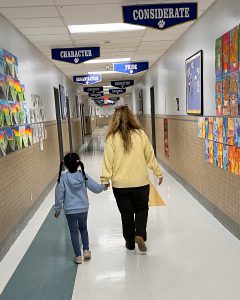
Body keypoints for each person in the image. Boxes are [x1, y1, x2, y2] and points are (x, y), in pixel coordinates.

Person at [101, 105, 163, 254]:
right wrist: (158, 172)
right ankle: (140, 235)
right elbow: (150, 156)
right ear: (131, 117)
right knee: (142, 209)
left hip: (120, 185)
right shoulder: (140, 134)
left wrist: (105, 179)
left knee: (126, 214)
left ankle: (129, 242)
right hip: (140, 183)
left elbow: (107, 160)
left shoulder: (112, 138)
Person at [55, 152, 107, 264]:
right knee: (83, 228)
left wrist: (57, 210)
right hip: (83, 208)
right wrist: (103, 186)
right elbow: (96, 188)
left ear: (65, 165)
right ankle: (86, 250)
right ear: (78, 164)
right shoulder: (83, 175)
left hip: (70, 210)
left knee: (74, 232)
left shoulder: (63, 178)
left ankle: (78, 256)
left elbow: (59, 195)